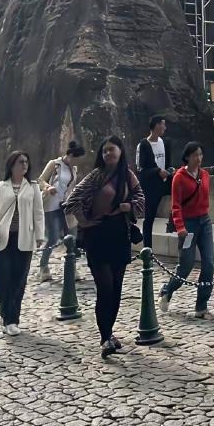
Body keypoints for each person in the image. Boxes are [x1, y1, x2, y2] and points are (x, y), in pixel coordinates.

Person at [66, 137, 144, 357]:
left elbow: (141, 199)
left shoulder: (128, 176)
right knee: (105, 287)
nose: (108, 154)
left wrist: (129, 206)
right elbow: (72, 200)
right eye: (104, 151)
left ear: (120, 151)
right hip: (98, 235)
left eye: (112, 150)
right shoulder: (96, 176)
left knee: (116, 288)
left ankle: (109, 333)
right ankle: (105, 337)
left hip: (119, 234)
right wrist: (84, 222)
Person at [0, 151, 45, 336]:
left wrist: (39, 235)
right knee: (2, 281)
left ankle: (11, 320)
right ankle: (5, 312)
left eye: (26, 162)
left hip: (24, 238)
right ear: (11, 165)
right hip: (4, 239)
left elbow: (38, 213)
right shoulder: (0, 187)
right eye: (20, 162)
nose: (24, 165)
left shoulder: (33, 187)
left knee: (18, 281)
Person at [159, 142, 214, 319]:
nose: (198, 158)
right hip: (188, 225)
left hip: (204, 222)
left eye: (200, 154)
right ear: (187, 157)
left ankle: (202, 307)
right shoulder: (179, 177)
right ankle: (167, 290)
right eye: (195, 155)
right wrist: (180, 227)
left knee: (209, 263)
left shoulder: (205, 175)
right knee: (186, 265)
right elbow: (176, 206)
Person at [37, 140, 85, 281]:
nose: (78, 162)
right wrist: (48, 187)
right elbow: (41, 180)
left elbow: (72, 187)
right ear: (70, 155)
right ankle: (43, 267)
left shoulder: (74, 169)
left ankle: (71, 267)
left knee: (71, 236)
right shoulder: (54, 164)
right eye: (76, 158)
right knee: (53, 237)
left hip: (66, 206)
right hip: (51, 204)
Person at [136, 116, 174, 249]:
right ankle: (148, 249)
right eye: (163, 124)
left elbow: (168, 163)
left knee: (182, 194)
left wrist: (170, 170)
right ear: (156, 125)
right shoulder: (143, 145)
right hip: (151, 186)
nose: (165, 127)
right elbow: (141, 170)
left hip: (165, 181)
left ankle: (173, 222)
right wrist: (157, 171)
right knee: (149, 218)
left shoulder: (165, 142)